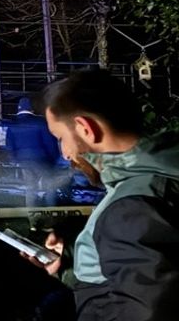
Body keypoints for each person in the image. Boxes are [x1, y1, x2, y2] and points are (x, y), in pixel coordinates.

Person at [25, 68, 179, 320]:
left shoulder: (131, 207)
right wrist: (71, 261)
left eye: (61, 137)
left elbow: (145, 309)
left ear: (85, 129)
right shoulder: (159, 175)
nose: (65, 153)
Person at [6, 96, 66, 208]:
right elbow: (50, 144)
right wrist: (54, 159)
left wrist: (15, 160)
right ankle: (51, 215)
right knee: (50, 188)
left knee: (30, 189)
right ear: (32, 109)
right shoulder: (41, 123)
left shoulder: (12, 126)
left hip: (24, 161)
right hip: (43, 160)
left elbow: (10, 146)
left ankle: (32, 218)